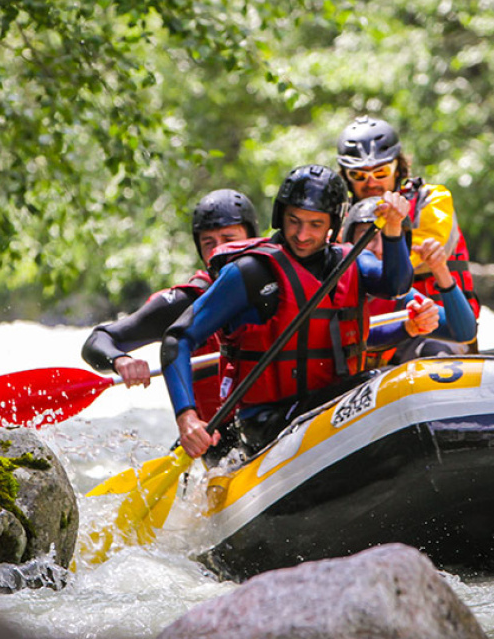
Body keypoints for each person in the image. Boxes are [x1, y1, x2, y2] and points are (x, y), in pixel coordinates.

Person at [161, 164, 414, 459]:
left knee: (383, 383)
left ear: (333, 222)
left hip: (335, 407)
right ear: (280, 216)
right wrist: (187, 417)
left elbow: (396, 286)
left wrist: (394, 228)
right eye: (294, 221)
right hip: (266, 424)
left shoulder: (354, 261)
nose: (302, 235)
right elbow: (177, 339)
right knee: (369, 387)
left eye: (315, 224)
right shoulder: (251, 272)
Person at [82, 189, 259, 425]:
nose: (219, 251)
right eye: (209, 243)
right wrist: (120, 360)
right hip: (219, 438)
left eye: (229, 240)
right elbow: (99, 339)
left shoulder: (281, 282)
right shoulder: (183, 303)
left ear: (252, 237)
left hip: (282, 421)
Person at [336, 115, 480, 353]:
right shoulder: (341, 218)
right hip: (372, 331)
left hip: (437, 329)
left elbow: (405, 260)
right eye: (359, 176)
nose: (371, 182)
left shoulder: (431, 199)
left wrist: (370, 256)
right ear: (347, 177)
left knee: (433, 351)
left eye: (381, 172)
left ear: (397, 168)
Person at [342, 197, 477, 367]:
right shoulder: (333, 285)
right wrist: (405, 328)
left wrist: (440, 269)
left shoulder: (401, 294)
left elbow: (464, 333)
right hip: (336, 383)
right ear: (348, 242)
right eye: (368, 237)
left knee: (433, 349)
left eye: (387, 236)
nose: (379, 249)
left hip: (377, 380)